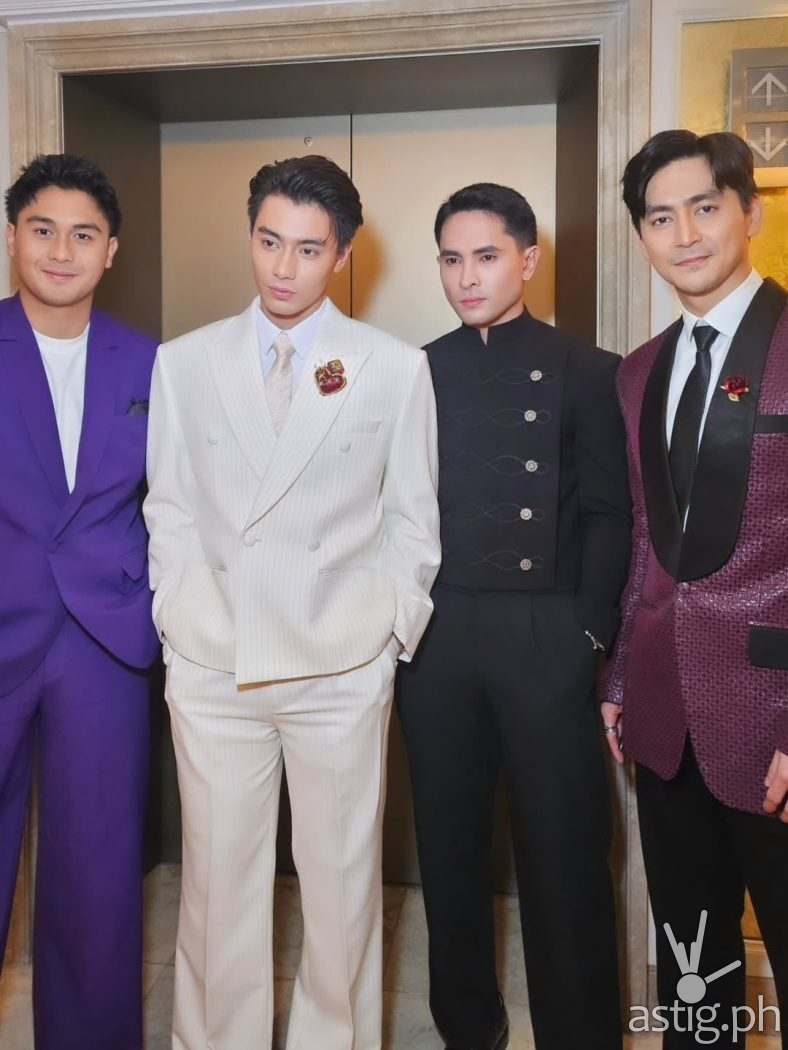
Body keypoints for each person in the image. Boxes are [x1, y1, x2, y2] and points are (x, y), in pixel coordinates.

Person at [144, 153, 440, 1050]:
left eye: (308, 249)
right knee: (215, 890)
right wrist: (177, 616)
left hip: (339, 665)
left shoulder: (391, 368)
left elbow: (412, 519)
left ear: (342, 255)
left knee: (342, 894)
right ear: (250, 236)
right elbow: (169, 506)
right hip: (215, 661)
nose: (283, 268)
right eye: (269, 242)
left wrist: (386, 632)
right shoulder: (185, 362)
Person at [396, 182, 631, 1050]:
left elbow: (610, 515)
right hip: (441, 638)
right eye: (451, 259)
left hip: (545, 637)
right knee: (449, 850)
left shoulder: (589, 371)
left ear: (528, 260)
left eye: (487, 256)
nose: (467, 277)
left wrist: (588, 634)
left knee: (565, 855)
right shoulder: (413, 371)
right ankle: (468, 1028)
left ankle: (581, 1033)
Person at [603, 129, 788, 1049]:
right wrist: (619, 679)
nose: (684, 235)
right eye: (659, 217)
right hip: (665, 717)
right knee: (694, 980)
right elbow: (648, 537)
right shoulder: (638, 372)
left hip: (773, 719)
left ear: (749, 212)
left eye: (704, 208)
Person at [0, 154, 159, 1050]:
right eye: (43, 230)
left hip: (104, 642)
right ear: (13, 238)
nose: (62, 251)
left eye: (83, 234)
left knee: (96, 872)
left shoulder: (154, 363)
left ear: (111, 251)